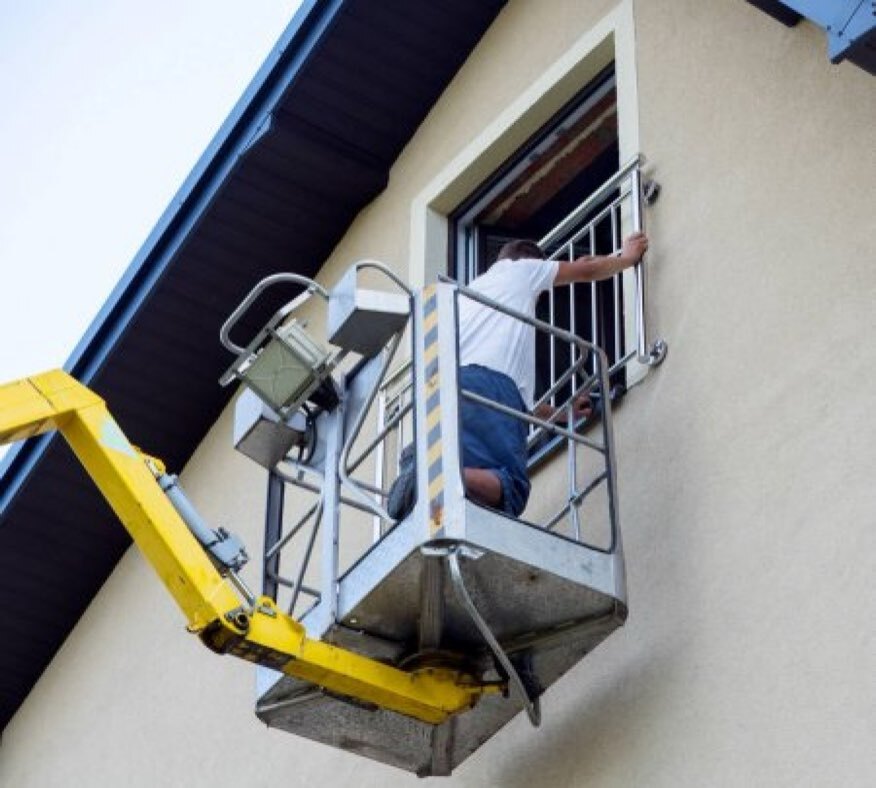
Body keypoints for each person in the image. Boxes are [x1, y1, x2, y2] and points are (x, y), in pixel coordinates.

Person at [387, 232, 648, 520]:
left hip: (444, 391)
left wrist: (562, 414)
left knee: (467, 484)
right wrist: (626, 257)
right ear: (530, 261)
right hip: (491, 389)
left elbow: (519, 405)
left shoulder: (467, 295)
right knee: (512, 486)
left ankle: (422, 470)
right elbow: (585, 266)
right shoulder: (521, 270)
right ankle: (434, 476)